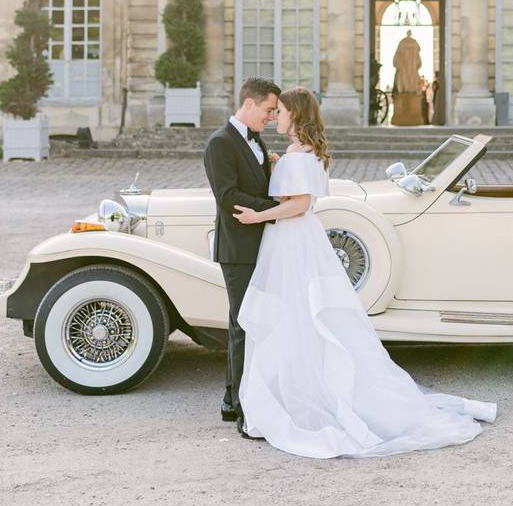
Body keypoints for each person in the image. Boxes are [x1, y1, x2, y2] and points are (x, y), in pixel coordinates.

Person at [231, 86, 497, 458]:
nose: (276, 116)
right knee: (302, 317)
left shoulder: (297, 155)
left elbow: (299, 205)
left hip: (291, 239)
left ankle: (297, 392)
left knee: (296, 316)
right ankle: (296, 386)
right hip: (298, 240)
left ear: (296, 114)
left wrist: (258, 215)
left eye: (281, 111)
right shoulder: (305, 153)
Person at [203, 78, 281, 437]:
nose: (271, 117)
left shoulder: (257, 141)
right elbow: (228, 196)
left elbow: (255, 183)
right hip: (238, 250)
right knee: (242, 325)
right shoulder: (220, 143)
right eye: (268, 110)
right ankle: (237, 404)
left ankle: (236, 398)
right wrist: (276, 208)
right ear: (249, 104)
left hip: (261, 245)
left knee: (253, 323)